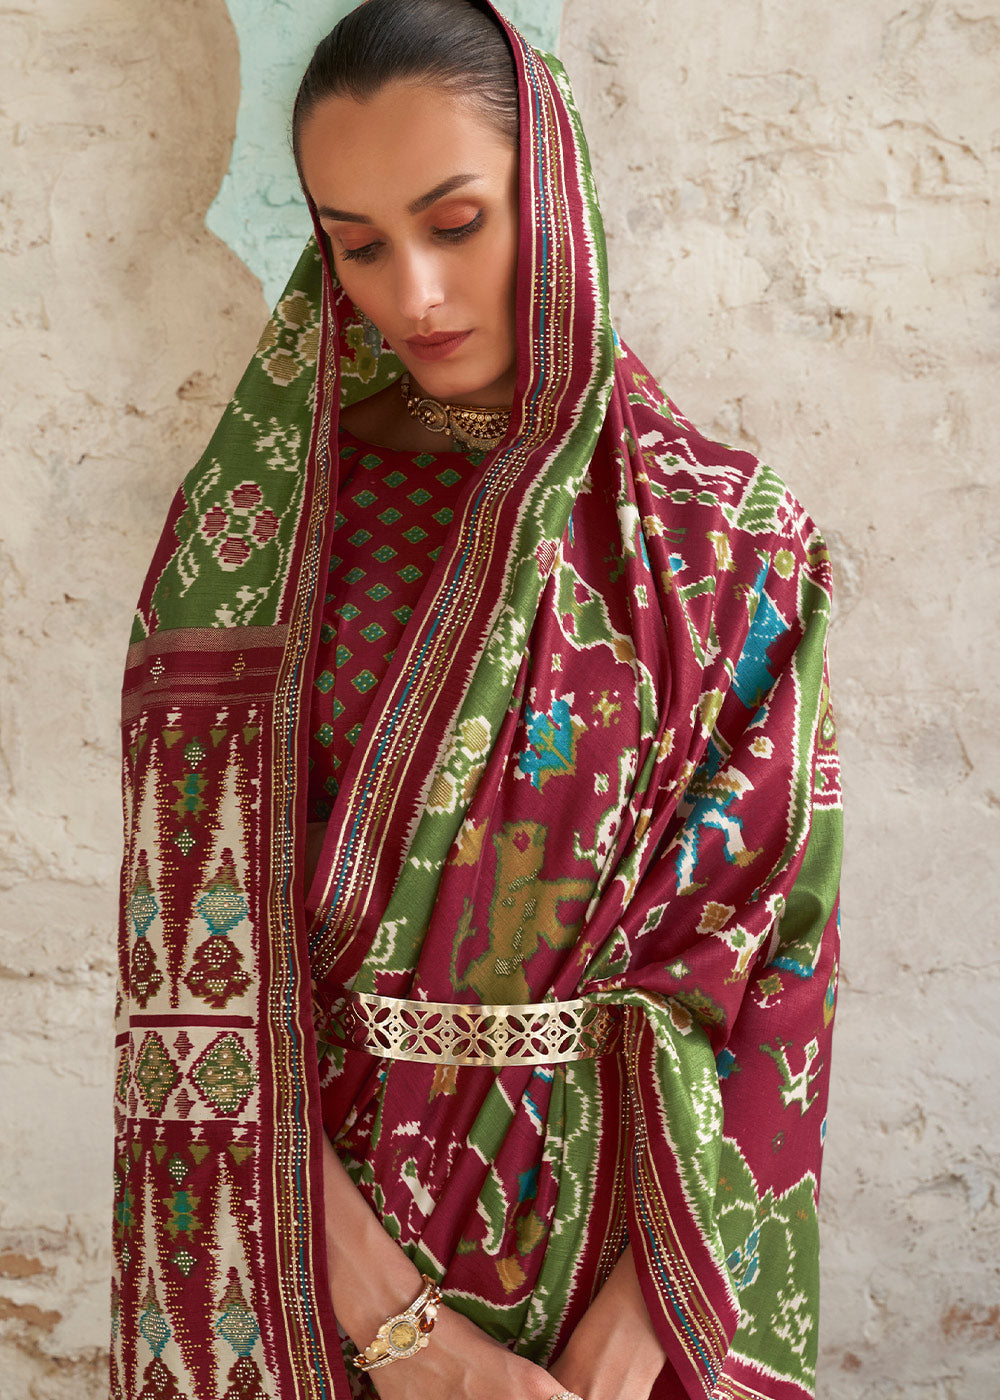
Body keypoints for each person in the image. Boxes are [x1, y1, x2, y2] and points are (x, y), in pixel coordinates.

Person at [111, 2, 842, 1398]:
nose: (416, 296)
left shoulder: (728, 544)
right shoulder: (255, 544)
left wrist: (640, 1332)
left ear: (553, 197)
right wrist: (411, 1343)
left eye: (457, 223)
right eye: (359, 245)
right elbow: (190, 993)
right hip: (304, 1270)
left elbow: (774, 966)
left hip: (629, 1273)